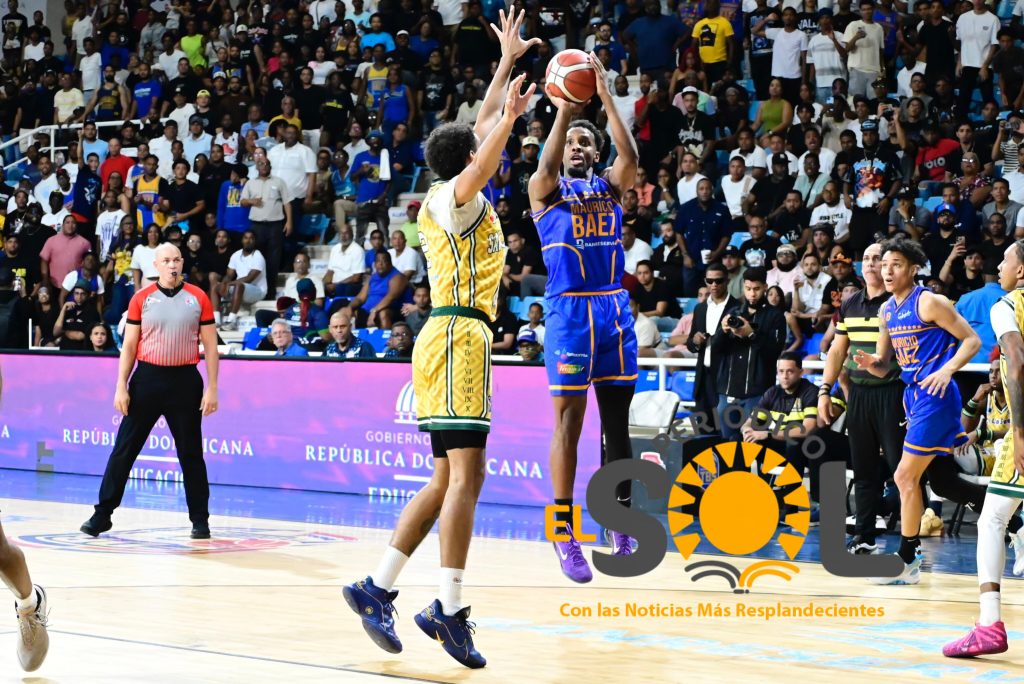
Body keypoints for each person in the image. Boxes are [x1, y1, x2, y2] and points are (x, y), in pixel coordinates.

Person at [342, 10, 538, 669]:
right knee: (467, 477)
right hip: (457, 338)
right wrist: (511, 119)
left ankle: (377, 588)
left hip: (451, 337)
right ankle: (448, 609)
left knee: (450, 476)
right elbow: (485, 148)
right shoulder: (457, 197)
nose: (487, 142)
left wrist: (505, 64)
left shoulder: (444, 192)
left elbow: (479, 128)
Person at [527, 49, 639, 583]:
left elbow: (629, 155)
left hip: (612, 307)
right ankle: (563, 530)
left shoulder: (610, 187)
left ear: (595, 153)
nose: (577, 147)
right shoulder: (545, 192)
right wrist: (564, 112)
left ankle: (619, 521)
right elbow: (546, 166)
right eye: (572, 142)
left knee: (616, 427)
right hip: (569, 312)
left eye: (585, 143)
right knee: (568, 425)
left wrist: (606, 96)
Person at [854, 237, 986, 584]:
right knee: (942, 481)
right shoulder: (886, 310)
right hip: (913, 396)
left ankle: (908, 558)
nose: (887, 271)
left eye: (895, 264)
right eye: (884, 264)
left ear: (913, 269)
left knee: (904, 476)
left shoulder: (928, 301)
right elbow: (885, 365)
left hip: (937, 395)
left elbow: (972, 341)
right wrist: (870, 363)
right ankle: (1015, 522)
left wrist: (947, 370)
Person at [81, 243, 219, 539]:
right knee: (124, 449)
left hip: (185, 381)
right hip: (147, 379)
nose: (172, 265)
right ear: (156, 265)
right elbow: (130, 345)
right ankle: (102, 514)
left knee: (191, 453)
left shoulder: (198, 297)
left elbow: (210, 346)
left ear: (182, 263)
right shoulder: (141, 298)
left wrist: (212, 388)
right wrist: (121, 385)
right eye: (166, 260)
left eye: (176, 260)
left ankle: (200, 520)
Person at [943, 240, 1024, 658]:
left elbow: (1016, 361)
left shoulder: (1007, 306)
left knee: (992, 519)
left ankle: (989, 624)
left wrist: (1020, 432)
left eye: (1006, 260)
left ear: (1021, 270)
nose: (1000, 268)